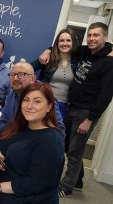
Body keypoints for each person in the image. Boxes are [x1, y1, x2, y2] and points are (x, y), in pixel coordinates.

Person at [40, 22, 113, 196]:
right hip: (72, 107)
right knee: (69, 147)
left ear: (105, 37)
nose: (92, 38)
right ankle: (77, 180)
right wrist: (47, 50)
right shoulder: (85, 51)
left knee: (74, 151)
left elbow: (105, 95)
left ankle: (66, 187)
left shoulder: (109, 62)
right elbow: (63, 46)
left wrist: (90, 119)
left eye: (96, 35)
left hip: (86, 113)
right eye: (90, 35)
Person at [0, 82, 64, 204]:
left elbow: (35, 183)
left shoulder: (51, 140)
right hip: (9, 187)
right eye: (26, 100)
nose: (29, 106)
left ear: (49, 107)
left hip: (28, 197)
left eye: (37, 101)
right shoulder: (17, 124)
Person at [0, 61, 65, 138]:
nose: (15, 78)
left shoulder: (43, 96)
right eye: (12, 74)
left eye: (21, 74)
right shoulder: (12, 93)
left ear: (33, 79)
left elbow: (59, 131)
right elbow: (3, 121)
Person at [32, 28, 78, 119]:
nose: (64, 43)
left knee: (56, 131)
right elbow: (29, 69)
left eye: (68, 40)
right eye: (61, 40)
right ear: (57, 43)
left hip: (63, 106)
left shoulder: (78, 59)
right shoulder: (49, 57)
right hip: (44, 102)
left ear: (73, 43)